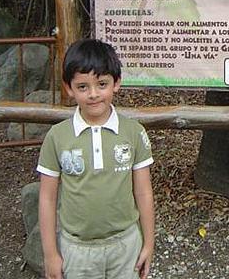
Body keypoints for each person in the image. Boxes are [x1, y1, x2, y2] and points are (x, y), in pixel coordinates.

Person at [37, 38, 155, 279]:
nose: (93, 94)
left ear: (116, 83)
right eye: (82, 87)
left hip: (126, 244)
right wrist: (50, 254)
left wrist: (148, 243)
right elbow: (47, 198)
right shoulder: (57, 137)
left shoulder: (133, 132)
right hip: (77, 249)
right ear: (69, 88)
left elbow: (143, 192)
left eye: (102, 84)